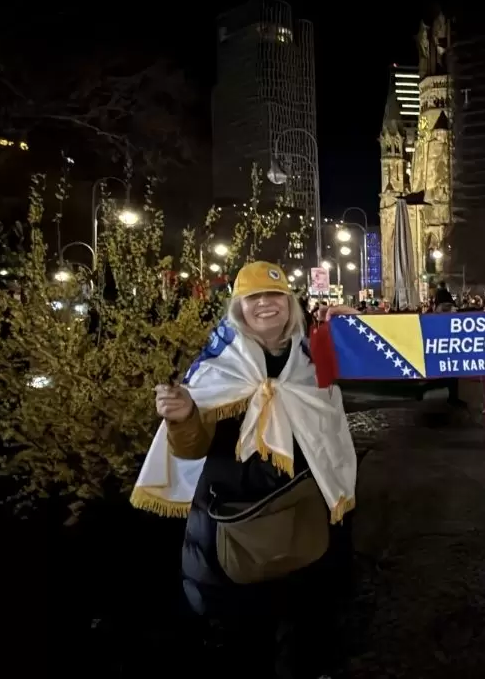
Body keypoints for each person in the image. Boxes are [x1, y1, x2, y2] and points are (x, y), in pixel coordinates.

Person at [134, 261, 358, 679]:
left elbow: (372, 367)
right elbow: (191, 449)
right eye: (253, 298)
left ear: (290, 304)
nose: (265, 304)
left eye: (274, 295)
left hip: (305, 523)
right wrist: (184, 417)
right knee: (247, 646)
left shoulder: (313, 357)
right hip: (236, 530)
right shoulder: (219, 366)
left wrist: (358, 331)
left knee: (309, 635)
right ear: (239, 308)